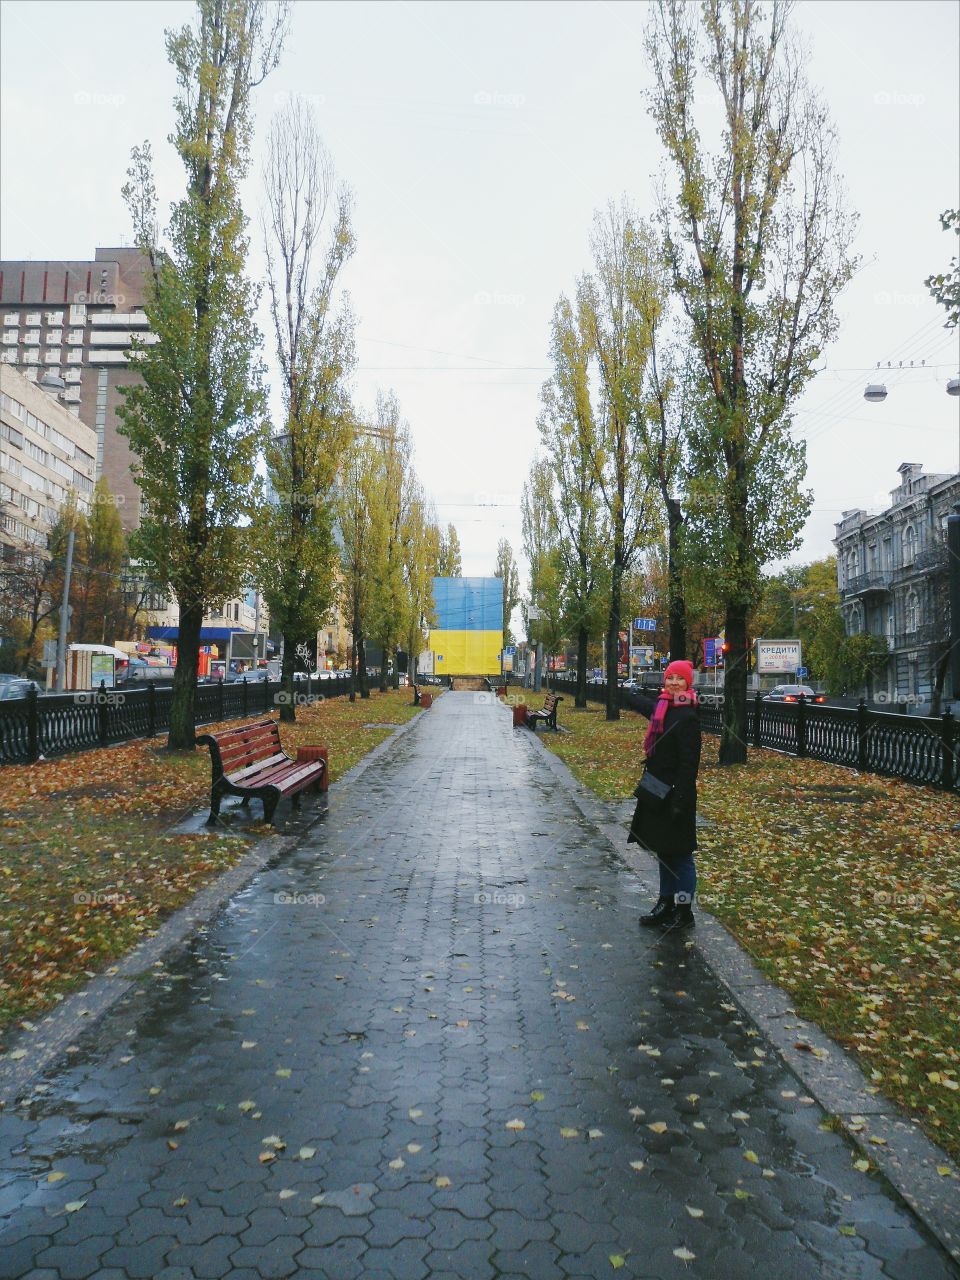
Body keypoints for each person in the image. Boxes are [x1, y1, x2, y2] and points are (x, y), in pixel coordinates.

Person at [626, 659, 702, 931]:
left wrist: (680, 801)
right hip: (658, 791)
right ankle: (665, 903)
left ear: (687, 683)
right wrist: (627, 689)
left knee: (680, 856)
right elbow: (641, 704)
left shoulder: (688, 716)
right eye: (670, 678)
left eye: (679, 679)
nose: (673, 683)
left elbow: (688, 764)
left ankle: (684, 911)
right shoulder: (663, 708)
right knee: (664, 852)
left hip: (676, 795)